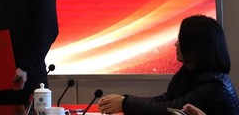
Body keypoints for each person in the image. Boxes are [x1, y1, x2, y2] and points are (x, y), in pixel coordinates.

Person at [98, 15, 239, 115]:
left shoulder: (215, 86)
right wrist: (124, 101)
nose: (176, 44)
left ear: (194, 47)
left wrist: (125, 103)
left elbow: (173, 109)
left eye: (180, 40)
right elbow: (167, 99)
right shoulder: (192, 73)